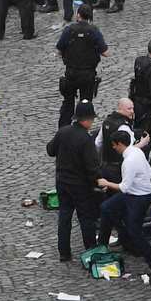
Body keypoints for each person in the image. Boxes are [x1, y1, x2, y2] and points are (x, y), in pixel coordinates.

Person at [46, 101, 102, 263]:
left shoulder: (63, 132)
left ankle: (64, 252)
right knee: (86, 218)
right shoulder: (86, 139)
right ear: (87, 119)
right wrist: (98, 181)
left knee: (64, 216)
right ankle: (90, 249)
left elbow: (50, 150)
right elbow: (92, 166)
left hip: (62, 182)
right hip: (81, 186)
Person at [97, 128, 151, 267]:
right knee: (107, 207)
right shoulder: (137, 152)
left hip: (138, 196)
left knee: (134, 229)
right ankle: (104, 244)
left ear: (120, 144)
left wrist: (107, 183)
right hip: (136, 193)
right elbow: (149, 174)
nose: (113, 148)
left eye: (114, 145)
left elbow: (124, 187)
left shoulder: (128, 161)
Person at [56, 4, 107, 128]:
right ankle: (82, 129)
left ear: (78, 15)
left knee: (68, 103)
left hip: (71, 73)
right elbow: (105, 52)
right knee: (85, 103)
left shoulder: (69, 30)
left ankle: (64, 129)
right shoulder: (94, 31)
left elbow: (59, 49)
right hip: (87, 75)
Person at [129, 37, 151, 134]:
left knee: (137, 131)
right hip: (148, 108)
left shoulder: (139, 60)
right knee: (147, 135)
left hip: (137, 104)